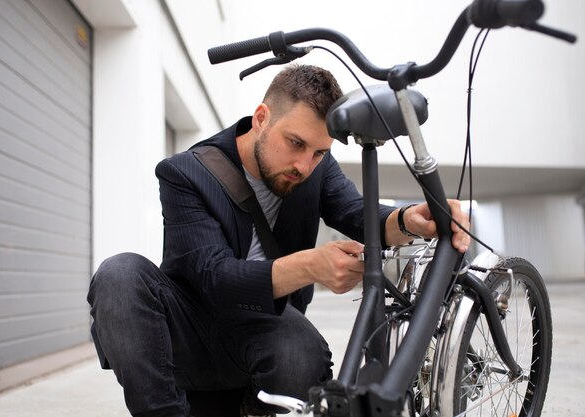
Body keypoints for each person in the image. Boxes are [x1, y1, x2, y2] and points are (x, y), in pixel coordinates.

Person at [87, 64, 470, 417]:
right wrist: (311, 266)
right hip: (189, 328)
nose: (304, 165)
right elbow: (212, 279)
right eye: (296, 143)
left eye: (320, 152)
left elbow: (355, 213)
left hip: (263, 334)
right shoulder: (187, 173)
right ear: (261, 118)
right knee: (119, 274)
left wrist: (407, 219)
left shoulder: (316, 169)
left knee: (302, 351)